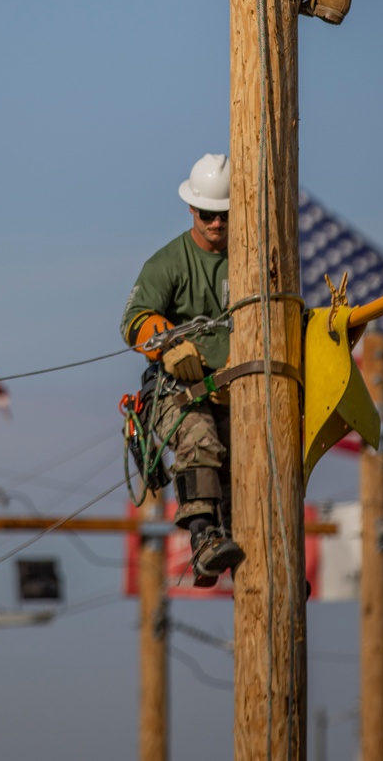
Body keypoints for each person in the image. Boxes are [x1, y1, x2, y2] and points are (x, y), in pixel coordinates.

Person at [120, 153, 243, 586]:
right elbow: (133, 321)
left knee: (258, 459)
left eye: (224, 214)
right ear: (192, 209)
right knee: (198, 438)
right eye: (208, 215)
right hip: (175, 389)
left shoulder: (254, 260)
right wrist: (169, 344)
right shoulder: (169, 263)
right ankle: (203, 537)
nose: (216, 224)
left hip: (237, 386)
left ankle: (265, 562)